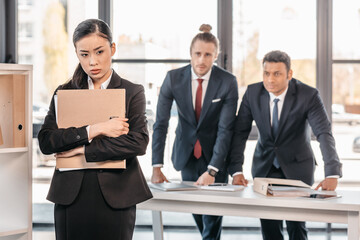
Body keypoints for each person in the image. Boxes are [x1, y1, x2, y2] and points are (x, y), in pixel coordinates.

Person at [38, 19, 152, 240]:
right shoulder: (64, 91)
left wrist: (81, 151)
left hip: (117, 194)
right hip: (71, 194)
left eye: (99, 52)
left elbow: (138, 142)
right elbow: (46, 141)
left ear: (112, 48)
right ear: (77, 54)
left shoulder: (132, 91)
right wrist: (96, 129)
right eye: (84, 54)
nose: (93, 62)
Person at [228, 50, 342, 240]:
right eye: (266, 73)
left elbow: (323, 132)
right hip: (265, 168)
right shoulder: (252, 93)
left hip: (298, 167)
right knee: (269, 228)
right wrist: (236, 170)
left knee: (296, 226)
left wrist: (332, 172)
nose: (270, 79)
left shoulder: (308, 95)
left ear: (289, 74)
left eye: (277, 74)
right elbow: (240, 133)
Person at [151, 24, 238, 240]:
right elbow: (160, 124)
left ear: (215, 55)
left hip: (216, 158)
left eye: (208, 54)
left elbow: (225, 129)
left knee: (212, 218)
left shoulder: (228, 82)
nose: (201, 60)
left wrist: (212, 171)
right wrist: (156, 166)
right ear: (190, 53)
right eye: (197, 53)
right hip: (187, 157)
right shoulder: (173, 79)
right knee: (198, 212)